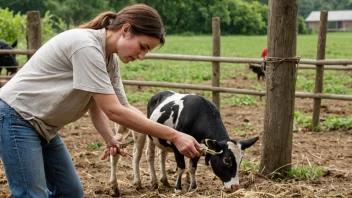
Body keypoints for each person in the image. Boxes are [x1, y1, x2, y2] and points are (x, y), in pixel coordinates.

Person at [0, 4, 202, 198]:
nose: (141, 56)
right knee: (31, 195)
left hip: (43, 126)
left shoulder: (109, 59)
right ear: (126, 29)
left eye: (146, 51)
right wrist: (174, 136)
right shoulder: (86, 46)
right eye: (142, 47)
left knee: (69, 192)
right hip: (16, 117)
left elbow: (110, 104)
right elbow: (114, 111)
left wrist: (109, 137)